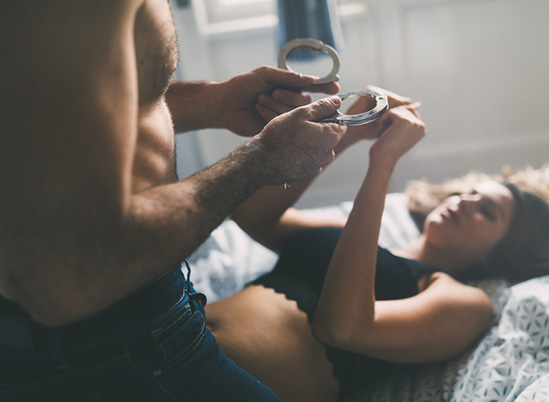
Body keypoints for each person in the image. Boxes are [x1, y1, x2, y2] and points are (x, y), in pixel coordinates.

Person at [0, 1, 346, 401]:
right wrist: (260, 161)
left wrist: (214, 103)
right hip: (114, 345)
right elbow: (67, 278)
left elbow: (54, 123)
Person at [203, 87, 549, 402]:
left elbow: (342, 327)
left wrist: (382, 164)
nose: (464, 202)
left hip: (209, 382)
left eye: (487, 212)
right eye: (472, 193)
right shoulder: (349, 236)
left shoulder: (464, 302)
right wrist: (348, 132)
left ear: (501, 252)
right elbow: (251, 215)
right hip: (174, 328)